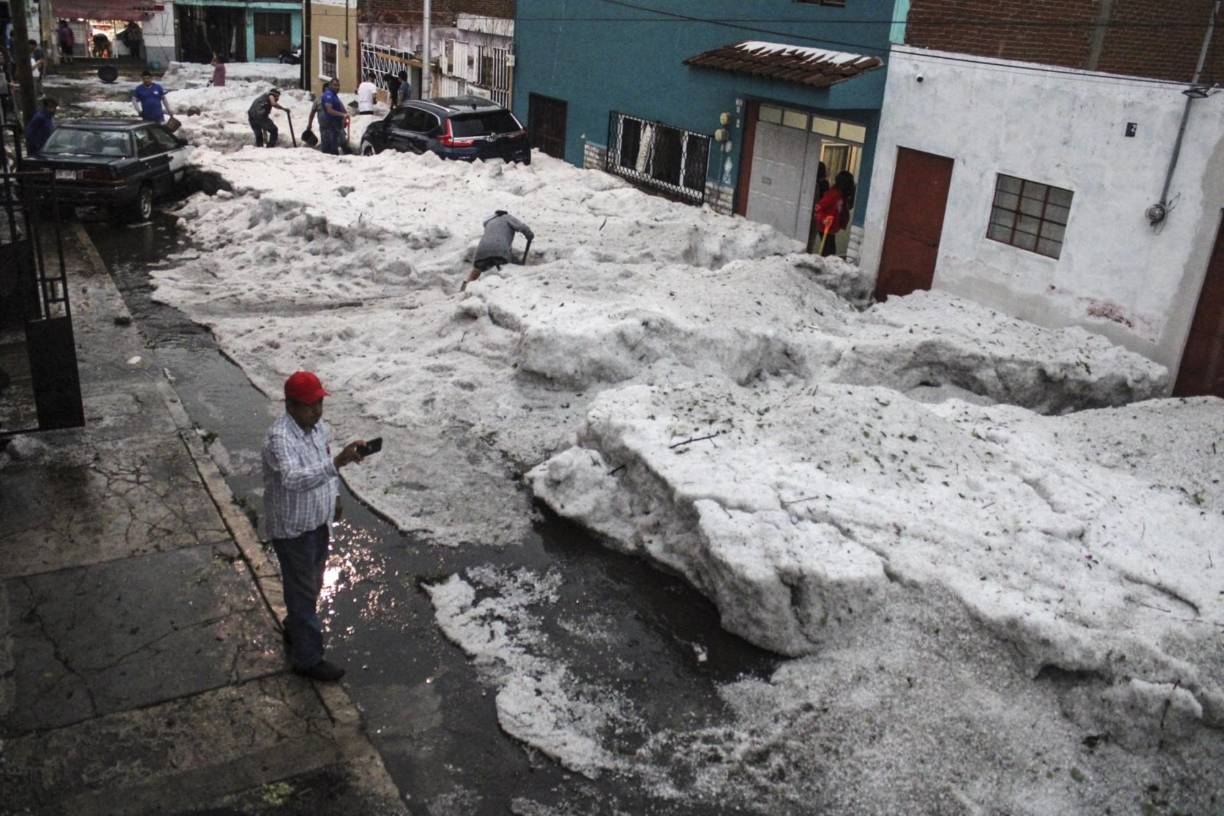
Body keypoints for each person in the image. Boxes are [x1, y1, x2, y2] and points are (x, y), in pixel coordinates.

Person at [262, 370, 367, 683]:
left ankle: (295, 626)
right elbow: (293, 479)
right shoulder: (279, 438)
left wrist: (334, 497)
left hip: (318, 523)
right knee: (303, 591)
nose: (317, 411)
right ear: (291, 406)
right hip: (293, 530)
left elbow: (324, 466)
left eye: (319, 403)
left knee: (311, 585)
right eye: (310, 406)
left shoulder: (318, 429)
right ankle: (307, 659)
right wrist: (337, 464)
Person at [462, 210, 533, 291]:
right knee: (504, 268)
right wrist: (529, 235)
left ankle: (465, 287)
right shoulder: (508, 218)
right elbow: (522, 227)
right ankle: (505, 289)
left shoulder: (490, 221)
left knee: (477, 269)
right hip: (500, 250)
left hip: (482, 250)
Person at [812, 169, 856, 258]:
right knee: (829, 252)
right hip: (825, 227)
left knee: (830, 251)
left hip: (831, 229)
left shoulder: (841, 195)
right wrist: (824, 219)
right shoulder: (833, 194)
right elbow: (818, 207)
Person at [318, 77, 345, 156]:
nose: (337, 87)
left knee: (335, 148)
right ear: (330, 85)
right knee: (329, 150)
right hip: (329, 127)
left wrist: (344, 116)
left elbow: (340, 107)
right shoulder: (328, 95)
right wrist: (342, 115)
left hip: (336, 126)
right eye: (335, 85)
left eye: (338, 85)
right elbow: (329, 110)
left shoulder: (334, 96)